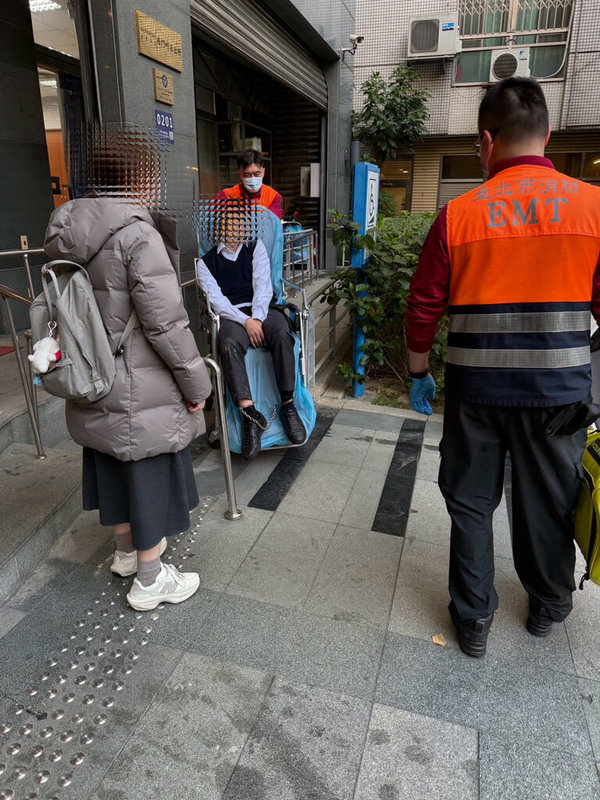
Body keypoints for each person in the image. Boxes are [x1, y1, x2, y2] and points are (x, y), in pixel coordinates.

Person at [405, 77, 600, 658]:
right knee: (549, 498)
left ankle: (473, 621)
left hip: (475, 391)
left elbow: (423, 306)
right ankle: (548, 605)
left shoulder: (458, 215)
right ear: (548, 135)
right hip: (560, 392)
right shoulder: (593, 207)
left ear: (486, 141)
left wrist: (419, 371)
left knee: (470, 501)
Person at [43, 134, 213, 612]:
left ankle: (123, 554)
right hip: (140, 383)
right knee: (145, 470)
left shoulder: (66, 227)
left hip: (89, 375)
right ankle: (150, 578)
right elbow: (168, 325)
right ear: (139, 178)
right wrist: (197, 385)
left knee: (110, 460)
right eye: (153, 174)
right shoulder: (138, 234)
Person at [196, 207, 306, 459]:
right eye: (226, 225)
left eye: (237, 225)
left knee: (280, 331)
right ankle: (249, 416)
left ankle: (288, 406)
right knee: (227, 344)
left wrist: (257, 318)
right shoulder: (206, 263)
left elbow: (263, 286)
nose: (232, 230)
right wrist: (246, 321)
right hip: (233, 315)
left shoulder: (255, 249)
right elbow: (217, 301)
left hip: (263, 307)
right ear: (217, 230)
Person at [216, 149, 284, 219]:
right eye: (247, 175)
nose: (252, 178)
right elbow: (212, 220)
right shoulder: (226, 196)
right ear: (240, 174)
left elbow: (275, 224)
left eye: (257, 174)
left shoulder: (273, 197)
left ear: (263, 172)